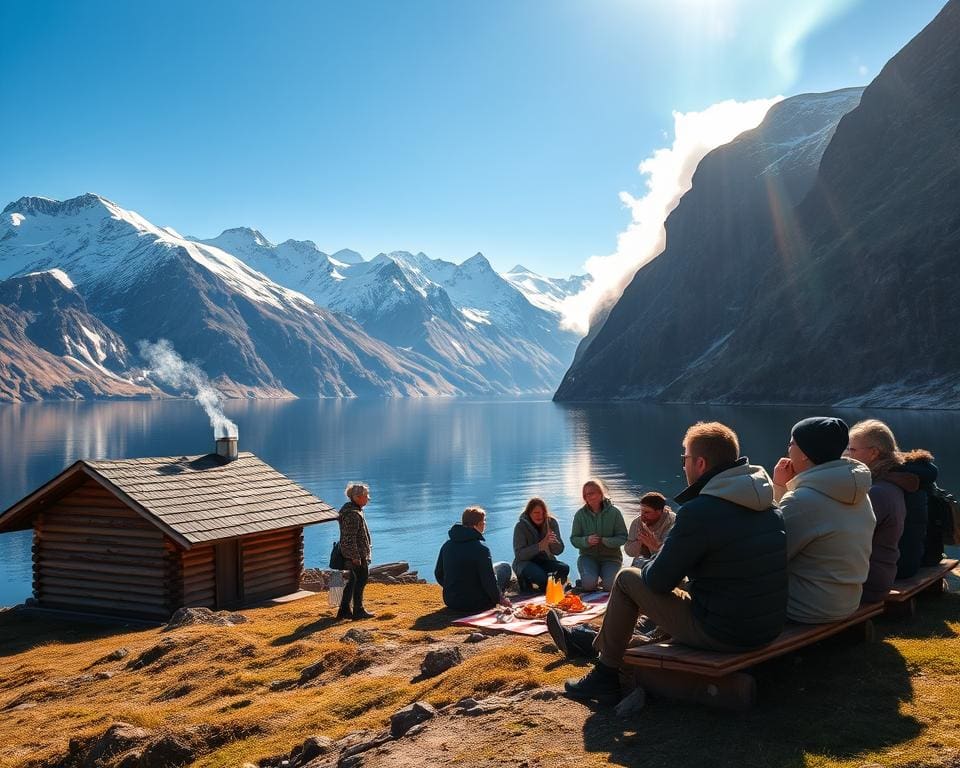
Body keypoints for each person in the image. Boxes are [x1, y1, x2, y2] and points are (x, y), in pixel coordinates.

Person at [564, 422, 787, 704]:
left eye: (685, 459)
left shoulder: (699, 511)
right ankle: (598, 642)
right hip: (768, 626)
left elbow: (658, 581)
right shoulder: (768, 503)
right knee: (683, 584)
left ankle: (605, 674)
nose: (683, 466)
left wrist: (651, 559)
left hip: (726, 633)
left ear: (700, 463)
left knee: (626, 579)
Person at [772, 417, 875, 622]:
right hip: (847, 601)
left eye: (792, 444)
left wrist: (779, 488)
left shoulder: (802, 501)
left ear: (804, 453)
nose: (788, 449)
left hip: (807, 606)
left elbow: (773, 554)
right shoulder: (858, 491)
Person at [845, 420, 918, 602]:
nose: (846, 454)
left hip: (867, 583)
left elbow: (846, 535)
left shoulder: (877, 492)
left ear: (873, 453)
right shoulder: (890, 482)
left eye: (852, 449)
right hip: (880, 575)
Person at [435, 506, 513, 613]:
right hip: (477, 603)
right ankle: (501, 595)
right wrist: (499, 599)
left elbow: (438, 573)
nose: (485, 525)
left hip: (451, 600)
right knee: (504, 567)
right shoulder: (481, 549)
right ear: (479, 524)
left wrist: (453, 588)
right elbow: (489, 581)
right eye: (484, 522)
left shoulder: (446, 545)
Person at [569, 479, 627, 591]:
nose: (588, 497)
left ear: (600, 494)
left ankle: (606, 578)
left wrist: (606, 541)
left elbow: (623, 537)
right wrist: (586, 541)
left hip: (611, 558)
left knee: (610, 586)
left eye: (591, 493)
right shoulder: (580, 515)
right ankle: (587, 581)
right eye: (585, 495)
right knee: (589, 585)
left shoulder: (614, 513)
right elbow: (574, 539)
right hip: (588, 557)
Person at [512, 497, 570, 591]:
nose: (540, 516)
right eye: (536, 513)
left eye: (543, 513)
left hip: (544, 560)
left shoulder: (551, 523)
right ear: (529, 513)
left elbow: (558, 551)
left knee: (564, 568)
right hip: (524, 563)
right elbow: (519, 555)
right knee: (542, 578)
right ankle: (525, 582)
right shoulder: (520, 527)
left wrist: (554, 543)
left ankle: (549, 588)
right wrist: (539, 546)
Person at [337, 482, 374, 620]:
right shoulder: (352, 514)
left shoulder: (351, 510)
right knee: (360, 581)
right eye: (366, 495)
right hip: (357, 555)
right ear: (357, 497)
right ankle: (358, 610)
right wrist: (355, 557)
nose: (368, 498)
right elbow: (349, 538)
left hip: (356, 553)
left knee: (353, 581)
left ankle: (344, 610)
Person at [624, 492, 676, 566]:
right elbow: (629, 552)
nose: (642, 515)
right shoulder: (638, 522)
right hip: (642, 562)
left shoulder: (673, 522)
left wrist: (653, 544)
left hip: (666, 564)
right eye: (641, 511)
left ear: (659, 511)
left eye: (647, 512)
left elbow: (672, 554)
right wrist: (640, 541)